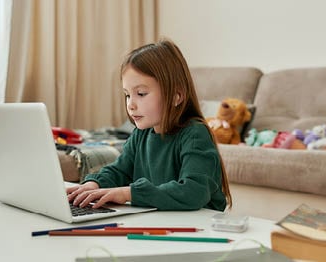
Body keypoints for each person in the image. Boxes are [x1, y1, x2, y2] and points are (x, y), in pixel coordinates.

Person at [66, 38, 232, 211]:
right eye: (127, 95)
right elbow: (120, 170)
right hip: (163, 222)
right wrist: (94, 183)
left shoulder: (195, 134)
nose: (130, 104)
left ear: (176, 96)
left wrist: (128, 193)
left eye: (141, 93)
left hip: (200, 226)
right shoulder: (141, 134)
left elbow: (194, 191)